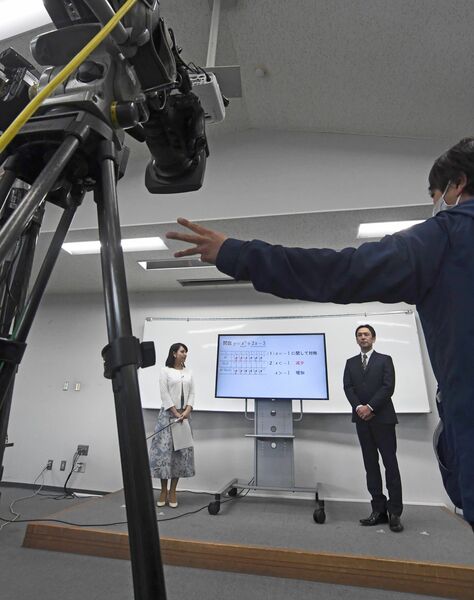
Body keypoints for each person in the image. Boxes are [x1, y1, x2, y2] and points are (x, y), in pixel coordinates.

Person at [165, 137, 474, 533]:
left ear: (457, 184)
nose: (435, 203)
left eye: (435, 194)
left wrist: (235, 253)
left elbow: (339, 272)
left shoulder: (446, 236)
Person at [344, 324, 403, 532]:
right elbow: (348, 388)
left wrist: (370, 407)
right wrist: (359, 408)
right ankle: (378, 510)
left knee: (390, 465)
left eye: (366, 334)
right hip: (362, 420)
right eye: (359, 335)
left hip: (383, 419)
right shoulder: (350, 363)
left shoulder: (385, 360)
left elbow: (388, 387)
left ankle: (394, 512)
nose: (363, 337)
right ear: (356, 339)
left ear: (373, 338)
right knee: (370, 465)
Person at [149, 342, 195, 508]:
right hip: (168, 415)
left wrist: (187, 410)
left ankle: (173, 491)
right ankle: (163, 490)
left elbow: (192, 393)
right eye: (182, 351)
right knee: (165, 454)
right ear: (174, 353)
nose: (185, 354)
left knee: (179, 455)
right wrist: (175, 412)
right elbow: (164, 394)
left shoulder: (189, 372)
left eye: (186, 352)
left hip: (184, 416)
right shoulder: (165, 371)